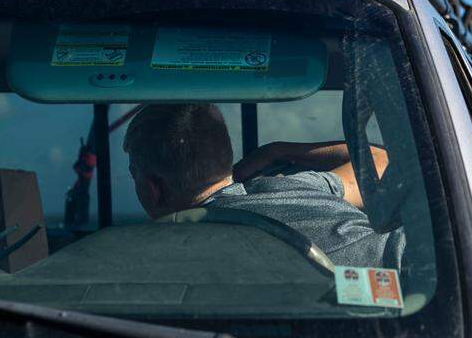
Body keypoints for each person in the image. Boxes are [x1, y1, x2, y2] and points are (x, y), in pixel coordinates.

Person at [123, 103, 403, 267]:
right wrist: (275, 151)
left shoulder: (152, 263)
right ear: (225, 160)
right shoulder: (294, 190)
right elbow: (380, 162)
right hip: (421, 299)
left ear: (152, 189)